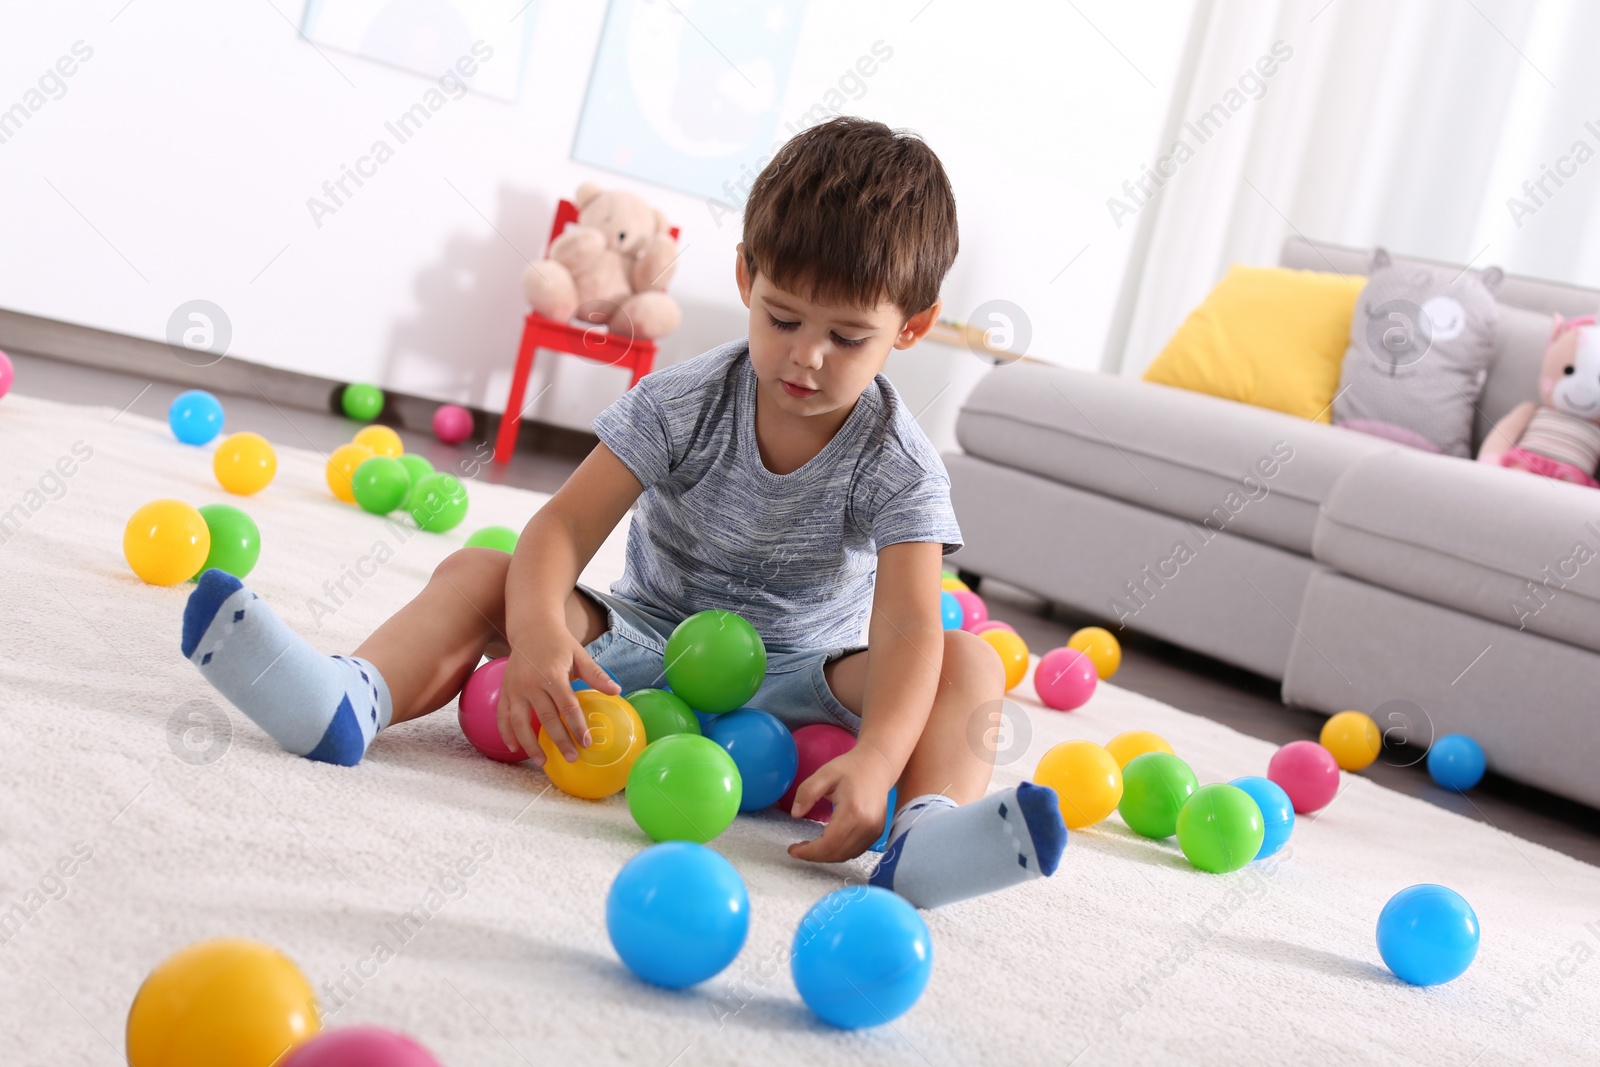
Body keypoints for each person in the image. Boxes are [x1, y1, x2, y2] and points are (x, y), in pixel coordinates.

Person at [180, 116, 1065, 909]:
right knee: (481, 572)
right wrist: (534, 636)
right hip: (641, 648)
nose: (805, 357)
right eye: (783, 317)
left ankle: (921, 833)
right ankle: (348, 700)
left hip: (808, 682)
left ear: (911, 327)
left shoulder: (896, 456)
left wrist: (875, 760)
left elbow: (908, 626)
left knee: (967, 663)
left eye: (846, 336)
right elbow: (563, 529)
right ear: (746, 278)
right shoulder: (686, 399)